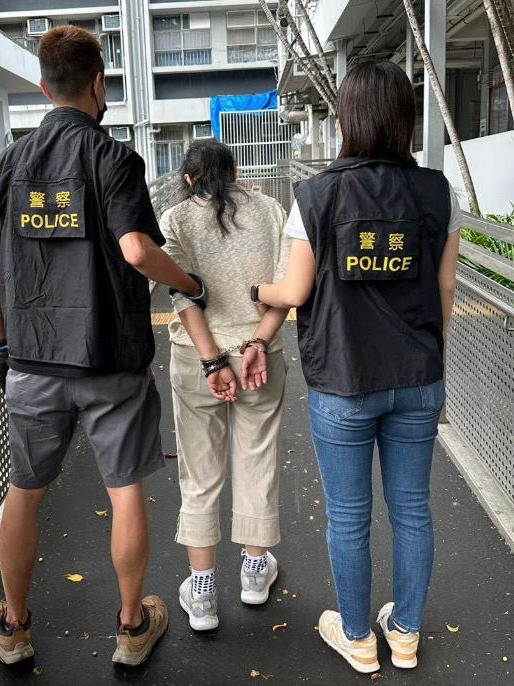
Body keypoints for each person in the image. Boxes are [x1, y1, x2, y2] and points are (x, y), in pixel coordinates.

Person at [0, 26, 207, 668]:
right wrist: (190, 282)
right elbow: (136, 249)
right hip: (111, 360)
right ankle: (132, 629)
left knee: (25, 490)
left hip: (31, 361)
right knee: (124, 490)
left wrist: (3, 343)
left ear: (43, 87)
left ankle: (14, 625)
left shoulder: (7, 165)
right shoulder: (115, 160)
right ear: (99, 84)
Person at [253, 62, 461, 673]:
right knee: (413, 509)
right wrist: (420, 353)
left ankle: (357, 638)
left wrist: (255, 291)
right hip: (418, 376)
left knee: (349, 517)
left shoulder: (315, 196)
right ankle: (405, 633)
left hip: (343, 381)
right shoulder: (435, 192)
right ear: (403, 118)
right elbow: (444, 290)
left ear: (346, 118)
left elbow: (293, 290)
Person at [160, 140, 291, 631]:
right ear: (234, 172)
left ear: (189, 178)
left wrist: (213, 360)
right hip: (261, 354)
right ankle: (255, 574)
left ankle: (203, 589)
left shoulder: (175, 220)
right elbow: (288, 286)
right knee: (258, 459)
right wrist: (258, 339)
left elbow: (182, 294)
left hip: (197, 358)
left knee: (199, 471)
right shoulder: (271, 211)